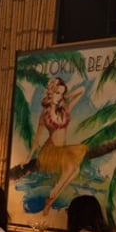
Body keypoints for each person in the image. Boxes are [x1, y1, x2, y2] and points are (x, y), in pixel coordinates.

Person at [24, 76, 88, 215]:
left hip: (63, 149)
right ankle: (52, 196)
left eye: (61, 93)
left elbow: (82, 90)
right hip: (52, 150)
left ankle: (50, 201)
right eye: (57, 93)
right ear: (51, 92)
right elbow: (37, 140)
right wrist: (28, 158)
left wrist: (66, 95)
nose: (59, 97)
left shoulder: (65, 109)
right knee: (73, 170)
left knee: (74, 171)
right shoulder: (45, 115)